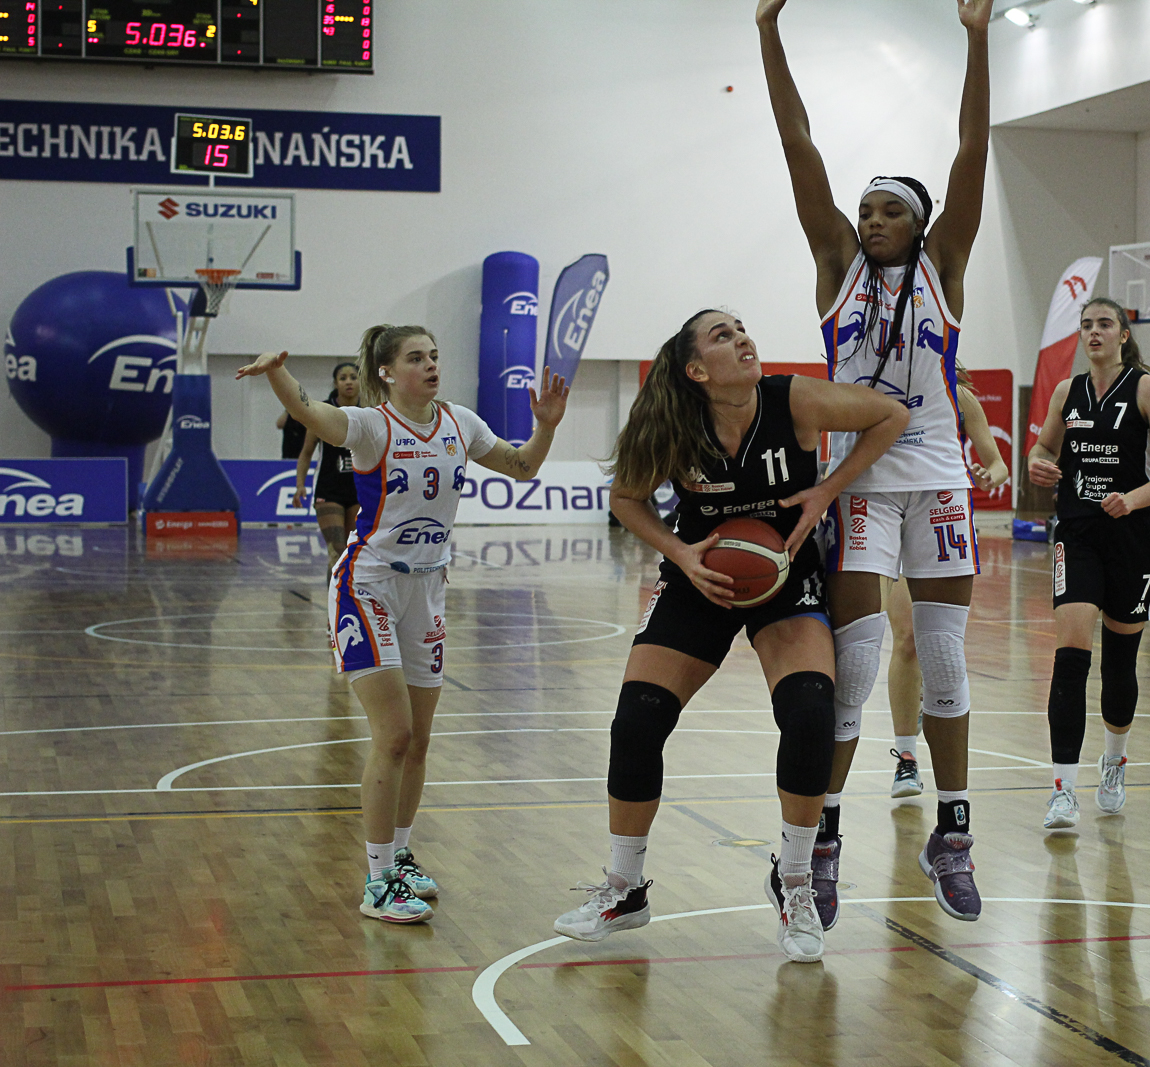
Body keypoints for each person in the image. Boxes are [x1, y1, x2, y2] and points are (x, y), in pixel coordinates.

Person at [551, 310, 906, 964]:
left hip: (785, 576)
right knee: (637, 721)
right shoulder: (672, 421)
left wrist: (827, 490)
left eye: (742, 328)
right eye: (722, 335)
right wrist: (681, 554)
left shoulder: (793, 399)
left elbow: (891, 414)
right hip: (702, 576)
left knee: (810, 714)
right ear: (696, 370)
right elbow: (626, 499)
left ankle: (794, 882)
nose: (742, 338)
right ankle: (624, 888)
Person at [760, 0, 994, 925]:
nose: (870, 219)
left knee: (943, 659)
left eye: (890, 208)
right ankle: (821, 841)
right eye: (864, 209)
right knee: (854, 669)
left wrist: (977, 40)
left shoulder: (946, 265)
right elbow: (799, 146)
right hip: (858, 479)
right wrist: (768, 34)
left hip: (936, 476)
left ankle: (953, 835)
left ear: (922, 222)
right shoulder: (837, 265)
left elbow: (972, 151)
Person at [237, 327, 570, 923]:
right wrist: (277, 373)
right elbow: (310, 413)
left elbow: (522, 467)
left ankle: (402, 854)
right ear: (387, 373)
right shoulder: (371, 426)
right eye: (417, 357)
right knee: (392, 735)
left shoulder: (461, 423)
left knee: (418, 740)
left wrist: (545, 426)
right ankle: (377, 881)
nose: (431, 364)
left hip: (428, 588)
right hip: (368, 585)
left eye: (434, 355)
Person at [1028, 298, 1150, 829]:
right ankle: (1063, 790)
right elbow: (1042, 450)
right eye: (1086, 325)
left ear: (1123, 334)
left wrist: (1133, 499)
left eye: (1104, 324)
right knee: (1070, 657)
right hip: (1077, 534)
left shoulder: (1149, 389)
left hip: (1134, 537)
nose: (1093, 332)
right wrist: (1038, 465)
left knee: (1119, 663)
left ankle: (1114, 761)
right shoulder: (1065, 392)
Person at [886, 366, 1010, 799]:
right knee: (906, 638)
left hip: (941, 513)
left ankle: (948, 780)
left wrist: (989, 475)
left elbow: (997, 463)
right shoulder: (877, 384)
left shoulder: (959, 397)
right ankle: (906, 757)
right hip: (888, 511)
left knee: (936, 643)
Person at [294, 361, 364, 584]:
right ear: (335, 384)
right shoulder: (322, 411)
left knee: (354, 553)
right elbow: (306, 453)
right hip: (329, 491)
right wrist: (300, 485)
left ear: (360, 381)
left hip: (359, 492)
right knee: (337, 551)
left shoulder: (369, 411)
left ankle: (349, 601)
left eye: (353, 377)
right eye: (343, 378)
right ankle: (333, 604)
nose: (348, 382)